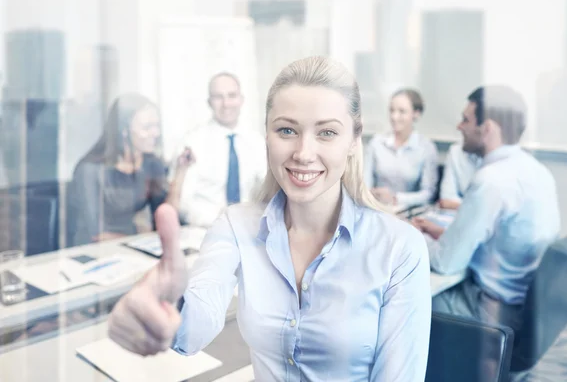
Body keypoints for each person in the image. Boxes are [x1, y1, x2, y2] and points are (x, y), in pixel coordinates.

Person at [108, 56, 431, 381]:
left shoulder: (398, 248)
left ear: (353, 141)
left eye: (327, 133)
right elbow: (196, 325)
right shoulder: (236, 225)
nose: (303, 153)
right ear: (267, 134)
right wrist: (168, 306)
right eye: (287, 130)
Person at [413, 85, 560, 332]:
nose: (460, 126)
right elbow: (495, 241)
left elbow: (445, 263)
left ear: (488, 128)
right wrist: (438, 233)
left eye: (466, 119)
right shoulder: (538, 171)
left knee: (408, 300)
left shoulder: (491, 180)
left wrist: (411, 235)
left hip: (491, 310)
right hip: (522, 305)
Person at [166, 72, 266, 227]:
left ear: (241, 100)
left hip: (249, 229)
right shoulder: (192, 143)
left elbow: (267, 190)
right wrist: (222, 220)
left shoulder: (257, 142)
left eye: (232, 96)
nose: (226, 103)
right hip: (204, 230)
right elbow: (182, 202)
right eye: (218, 97)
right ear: (209, 102)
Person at [70, 93, 167, 246]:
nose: (156, 133)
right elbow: (95, 233)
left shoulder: (152, 164)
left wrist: (181, 171)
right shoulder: (89, 169)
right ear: (124, 130)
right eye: (147, 127)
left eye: (157, 126)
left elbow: (163, 216)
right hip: (93, 249)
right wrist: (142, 237)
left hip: (133, 245)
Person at [364, 88, 439, 210]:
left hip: (407, 213)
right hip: (374, 208)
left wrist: (395, 198)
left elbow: (428, 194)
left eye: (402, 111)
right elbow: (364, 184)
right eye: (391, 110)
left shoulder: (426, 148)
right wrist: (370, 195)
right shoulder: (376, 143)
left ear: (416, 113)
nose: (394, 117)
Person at [438, 141, 481, 210]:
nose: (458, 129)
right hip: (455, 216)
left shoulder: (501, 157)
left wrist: (455, 205)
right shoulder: (456, 150)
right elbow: (446, 199)